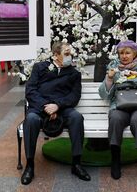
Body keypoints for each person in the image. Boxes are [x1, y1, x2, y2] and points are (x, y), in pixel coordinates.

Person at [21, 42, 90, 185]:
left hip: (62, 108)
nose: (70, 56)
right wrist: (46, 107)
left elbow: (74, 96)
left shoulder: (74, 73)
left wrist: (57, 106)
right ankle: (29, 165)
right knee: (31, 119)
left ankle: (76, 163)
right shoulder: (40, 67)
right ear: (55, 55)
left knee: (77, 117)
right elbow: (30, 91)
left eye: (71, 53)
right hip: (40, 108)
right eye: (66, 53)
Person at [98, 40, 137, 183]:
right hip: (119, 107)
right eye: (121, 53)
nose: (124, 56)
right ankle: (115, 159)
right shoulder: (113, 68)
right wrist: (109, 78)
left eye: (128, 53)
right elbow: (103, 94)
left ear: (134, 54)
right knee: (115, 118)